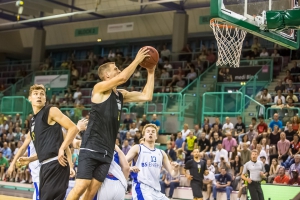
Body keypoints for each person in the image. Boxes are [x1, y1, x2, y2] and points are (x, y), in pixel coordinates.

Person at [67, 48, 154, 200]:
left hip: (107, 151)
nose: (119, 70)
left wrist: (151, 71)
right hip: (91, 146)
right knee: (81, 186)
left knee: (92, 192)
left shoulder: (120, 95)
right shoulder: (99, 89)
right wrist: (137, 60)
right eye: (116, 69)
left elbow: (147, 96)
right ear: (107, 75)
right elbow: (123, 78)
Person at [16, 84, 79, 200]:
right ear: (30, 98)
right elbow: (45, 150)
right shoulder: (33, 122)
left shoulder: (51, 111)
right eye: (35, 94)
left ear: (45, 99)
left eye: (42, 94)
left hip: (57, 164)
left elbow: (74, 128)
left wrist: (62, 149)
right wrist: (29, 159)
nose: (39, 96)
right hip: (45, 167)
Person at [125, 124, 179, 200]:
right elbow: (122, 162)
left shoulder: (161, 153)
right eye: (148, 131)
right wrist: (130, 168)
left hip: (156, 191)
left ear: (156, 136)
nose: (150, 133)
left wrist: (176, 169)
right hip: (142, 188)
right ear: (144, 136)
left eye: (153, 132)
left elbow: (173, 174)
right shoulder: (138, 148)